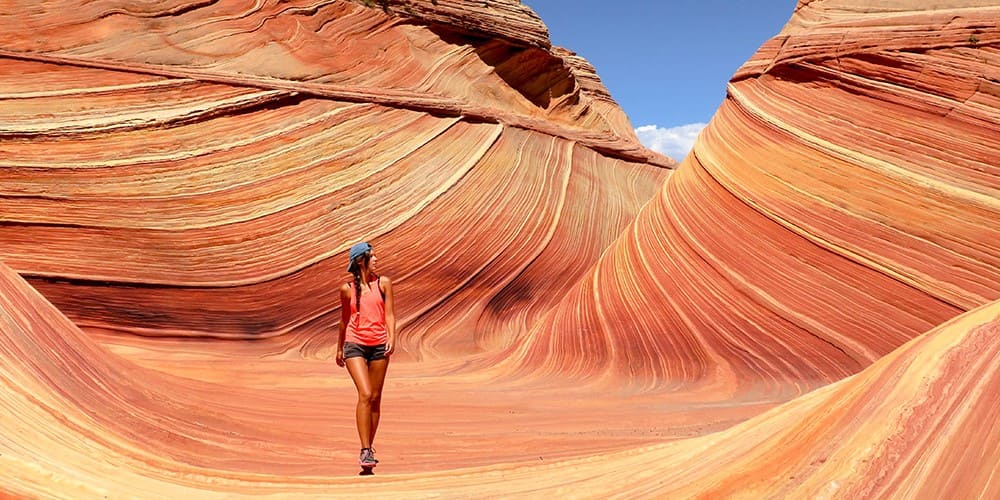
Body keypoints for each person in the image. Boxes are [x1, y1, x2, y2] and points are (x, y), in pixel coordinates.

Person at [336, 241, 396, 468]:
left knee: (376, 398)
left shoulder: (384, 283)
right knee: (365, 393)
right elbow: (344, 320)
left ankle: (369, 448)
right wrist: (340, 347)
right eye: (373, 257)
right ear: (362, 261)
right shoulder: (347, 289)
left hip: (379, 344)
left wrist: (392, 336)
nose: (377, 260)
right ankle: (364, 449)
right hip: (355, 344)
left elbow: (389, 314)